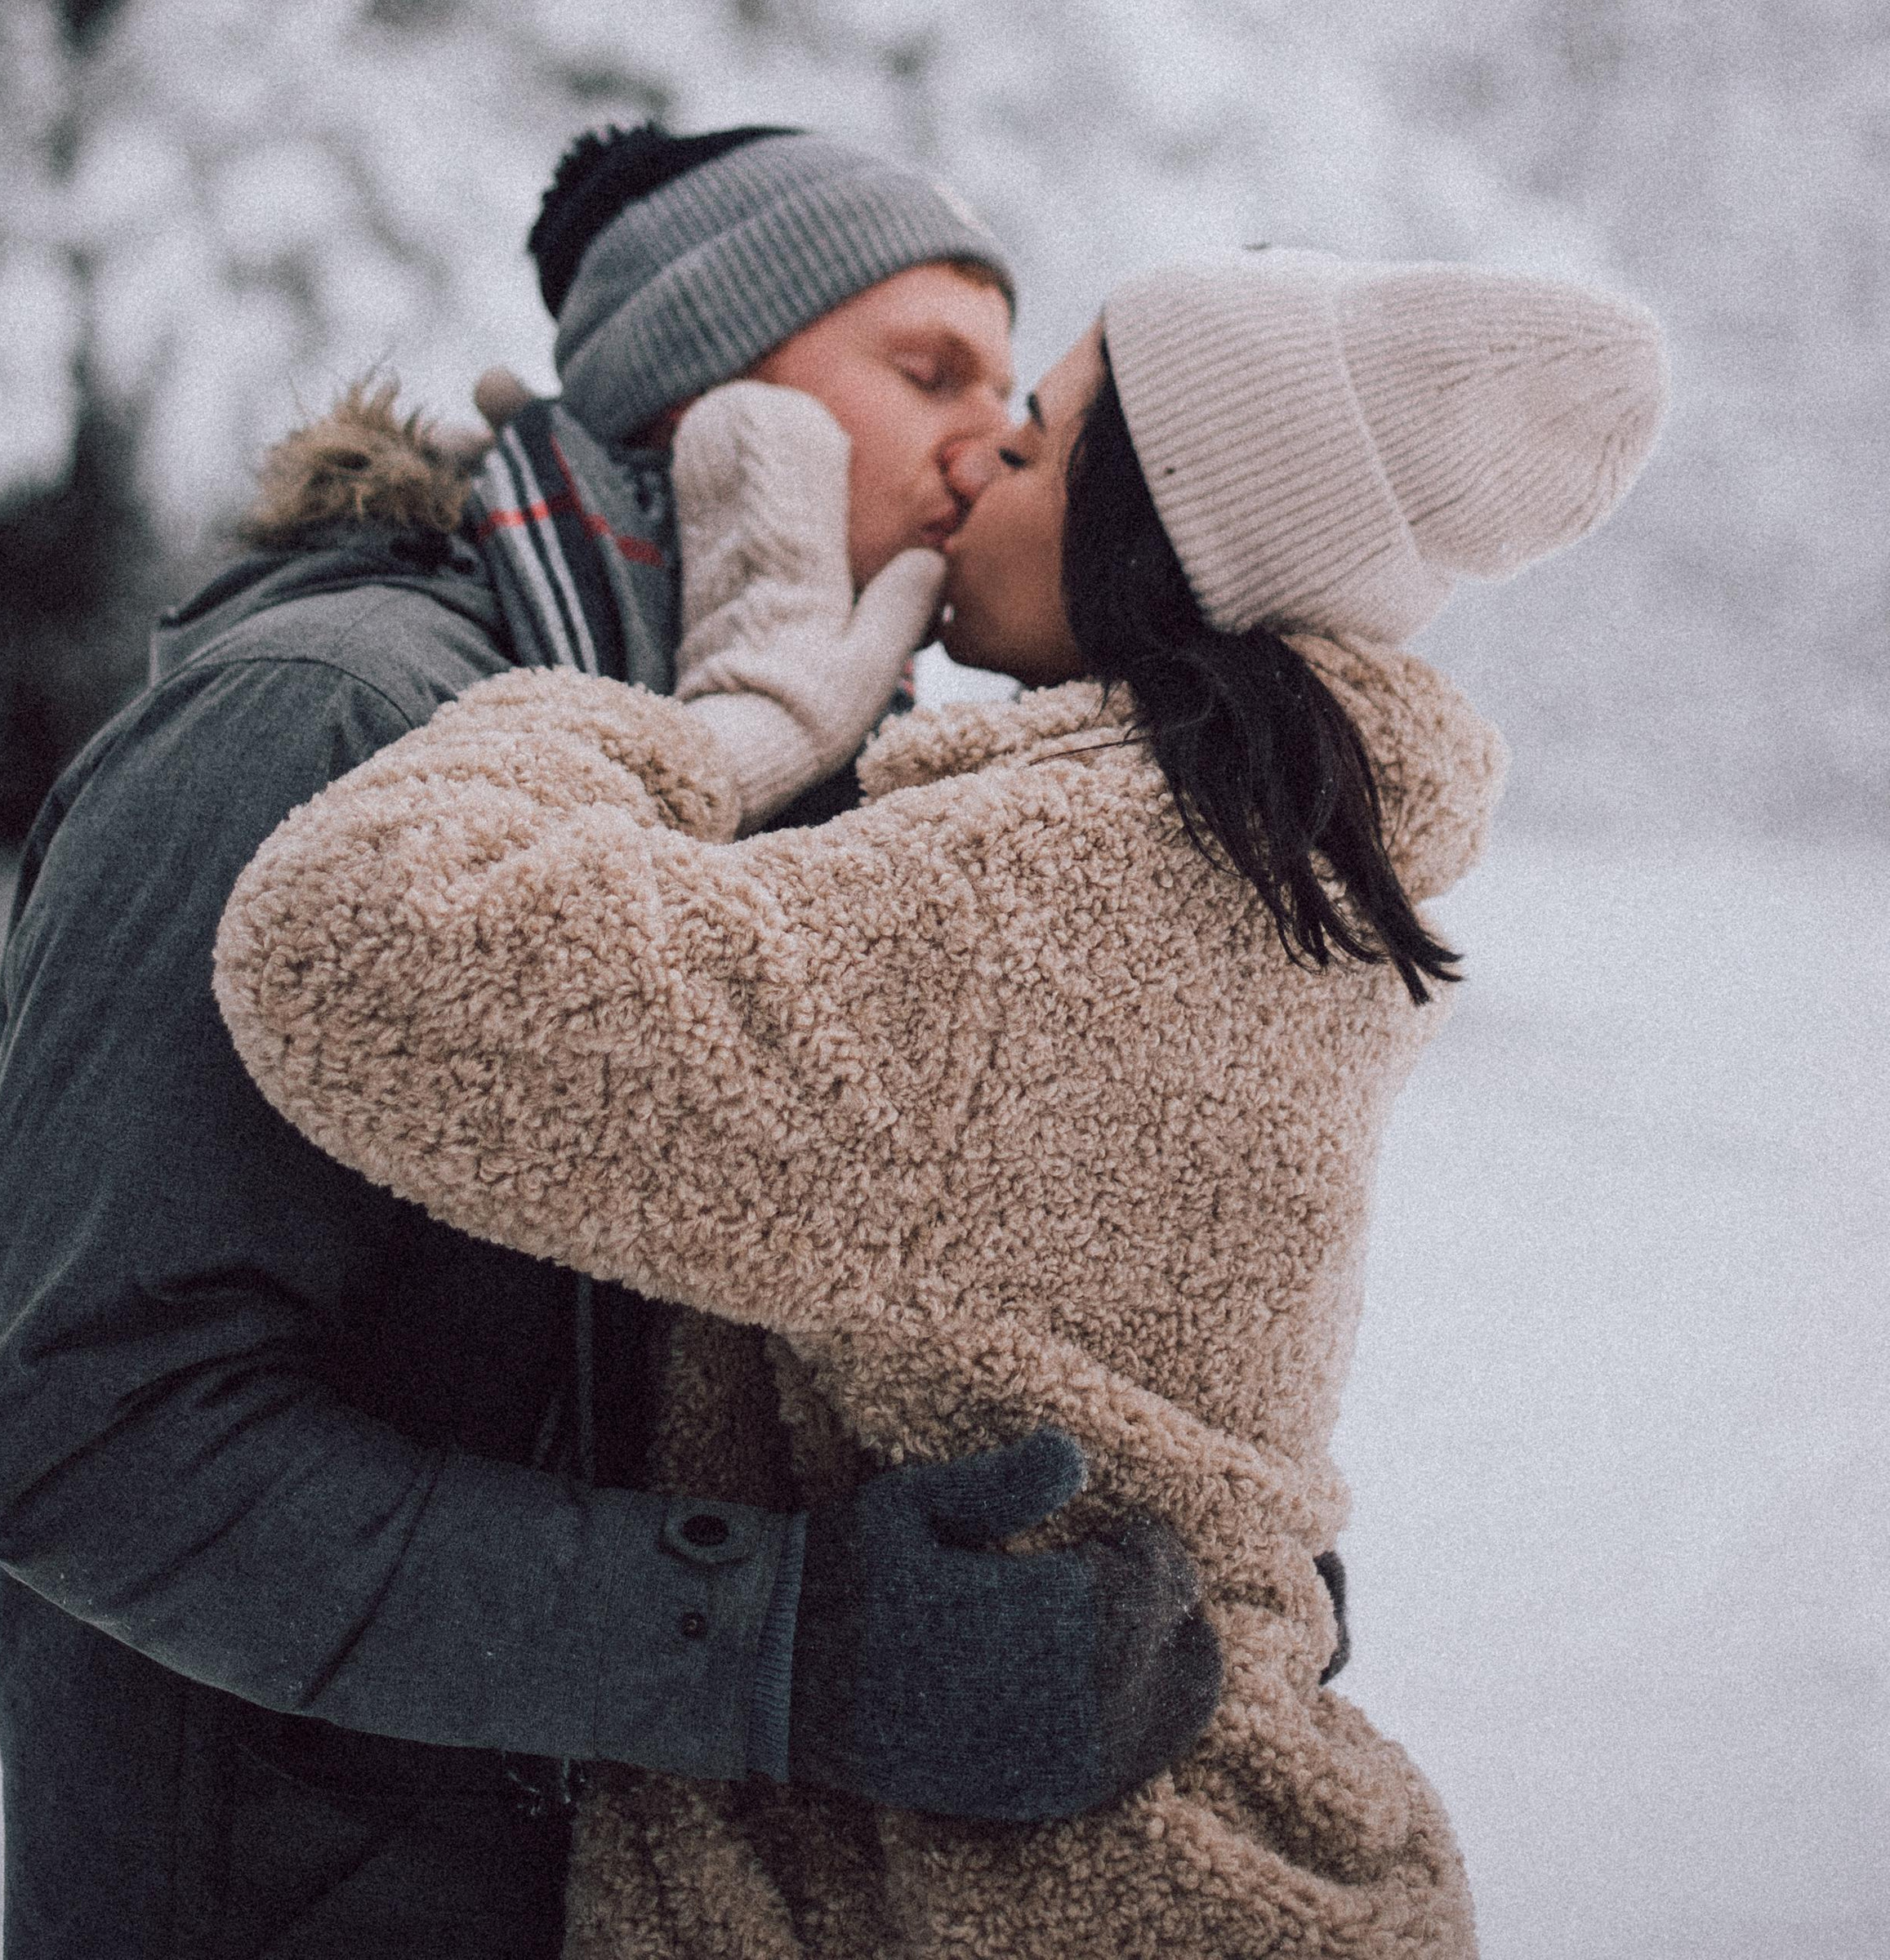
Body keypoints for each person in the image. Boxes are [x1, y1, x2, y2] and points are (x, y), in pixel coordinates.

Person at [214, 247, 1669, 1960]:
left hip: (993, 1906)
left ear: (1159, 538)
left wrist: (736, 722)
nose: (977, 462)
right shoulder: (1258, 860)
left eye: (1038, 445)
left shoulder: (1045, 901)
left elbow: (352, 949)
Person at [0, 122, 1218, 1960]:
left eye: (1004, 387)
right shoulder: (315, 726)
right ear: (706, 400)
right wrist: (778, 1643)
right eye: (922, 368)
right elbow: (101, 1434)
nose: (986, 442)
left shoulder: (793, 798)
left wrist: (1127, 1587)